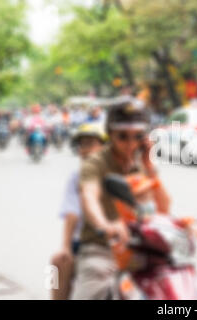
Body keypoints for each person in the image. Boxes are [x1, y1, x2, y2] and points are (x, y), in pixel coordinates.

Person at [71, 96, 170, 300]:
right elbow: (89, 196)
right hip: (102, 248)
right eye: (123, 136)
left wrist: (150, 167)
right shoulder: (95, 163)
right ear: (110, 135)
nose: (131, 143)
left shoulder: (142, 165)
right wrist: (106, 225)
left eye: (137, 136)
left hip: (142, 249)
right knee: (92, 289)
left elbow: (163, 208)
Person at [50, 123, 107, 300]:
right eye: (82, 145)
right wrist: (65, 247)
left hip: (117, 243)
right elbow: (71, 213)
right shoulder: (76, 177)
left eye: (90, 144)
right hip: (86, 243)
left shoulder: (121, 172)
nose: (85, 150)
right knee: (56, 265)